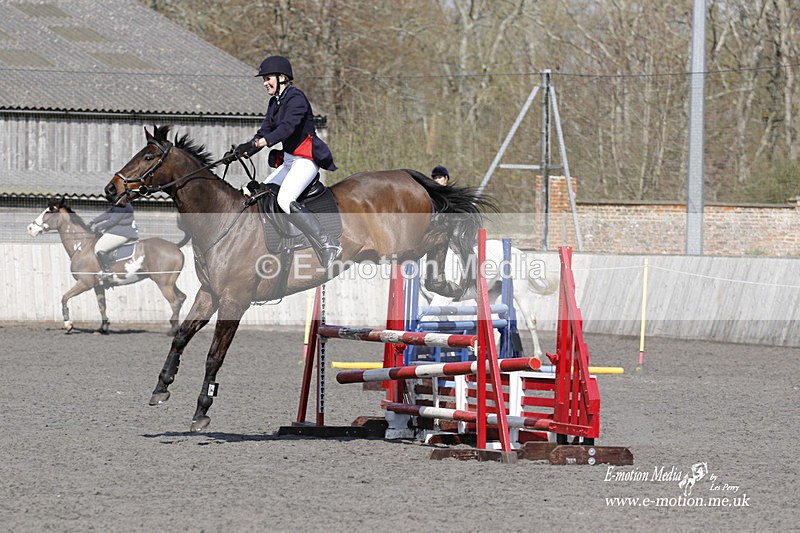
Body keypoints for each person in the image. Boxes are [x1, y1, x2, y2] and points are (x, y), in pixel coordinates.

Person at [231, 55, 341, 270]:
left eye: (268, 78)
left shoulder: (296, 99)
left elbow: (286, 129)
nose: (265, 83)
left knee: (285, 199)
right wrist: (247, 148)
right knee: (262, 193)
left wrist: (261, 143)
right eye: (264, 79)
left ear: (282, 77)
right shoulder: (275, 102)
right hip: (290, 161)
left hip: (306, 161)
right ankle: (285, 238)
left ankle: (328, 242)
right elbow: (265, 129)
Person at [89, 201, 139, 285]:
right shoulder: (120, 203)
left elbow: (113, 220)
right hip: (118, 231)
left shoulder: (123, 204)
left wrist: (99, 227)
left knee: (99, 248)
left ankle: (107, 272)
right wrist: (94, 221)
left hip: (122, 232)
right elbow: (109, 213)